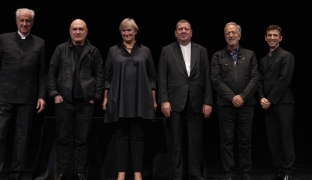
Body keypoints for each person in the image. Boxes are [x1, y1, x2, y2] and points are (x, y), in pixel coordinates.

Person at [0, 8, 47, 180]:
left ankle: (16, 175)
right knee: (0, 136)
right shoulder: (4, 39)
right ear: (16, 21)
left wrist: (42, 96)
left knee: (22, 138)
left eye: (28, 21)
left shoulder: (39, 43)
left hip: (28, 97)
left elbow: (42, 73)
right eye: (22, 20)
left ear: (32, 23)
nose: (24, 23)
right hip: (4, 95)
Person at [48, 19, 104, 180]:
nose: (77, 32)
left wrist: (96, 97)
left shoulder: (93, 51)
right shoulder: (60, 49)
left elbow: (100, 75)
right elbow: (51, 72)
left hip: (85, 102)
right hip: (64, 101)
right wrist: (54, 94)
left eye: (80, 29)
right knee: (63, 139)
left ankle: (80, 172)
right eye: (74, 29)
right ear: (70, 31)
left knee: (82, 140)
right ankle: (61, 172)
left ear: (86, 31)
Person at [102, 18, 157, 180]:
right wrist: (105, 98)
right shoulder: (113, 51)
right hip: (118, 99)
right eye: (123, 30)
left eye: (129, 30)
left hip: (141, 98)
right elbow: (107, 76)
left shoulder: (145, 51)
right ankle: (121, 172)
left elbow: (152, 76)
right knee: (120, 136)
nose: (126, 33)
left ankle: (138, 173)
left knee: (137, 135)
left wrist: (153, 99)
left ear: (135, 32)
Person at [158, 19, 213, 180]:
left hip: (196, 100)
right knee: (176, 140)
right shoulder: (166, 50)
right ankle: (177, 174)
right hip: (174, 101)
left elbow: (207, 78)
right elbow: (162, 78)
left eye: (186, 29)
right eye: (180, 29)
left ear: (191, 32)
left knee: (195, 140)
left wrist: (208, 101)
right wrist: (164, 100)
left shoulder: (201, 50)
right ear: (175, 33)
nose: (183, 31)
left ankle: (195, 173)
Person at [210, 22, 259, 180]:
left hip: (246, 104)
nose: (230, 35)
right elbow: (216, 80)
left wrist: (242, 97)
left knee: (245, 140)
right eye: (227, 33)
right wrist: (232, 97)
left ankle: (245, 172)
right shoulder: (217, 56)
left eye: (233, 32)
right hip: (225, 105)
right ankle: (229, 173)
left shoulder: (250, 54)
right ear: (225, 36)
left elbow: (255, 79)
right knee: (226, 141)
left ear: (239, 35)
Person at [257, 25, 295, 180]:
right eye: (269, 35)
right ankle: (278, 169)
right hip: (267, 104)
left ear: (280, 38)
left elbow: (284, 80)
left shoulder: (287, 56)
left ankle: (288, 172)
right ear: (265, 38)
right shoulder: (263, 60)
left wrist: (270, 100)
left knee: (285, 137)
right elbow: (259, 81)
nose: (272, 38)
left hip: (283, 103)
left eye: (275, 35)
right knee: (273, 138)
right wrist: (261, 98)